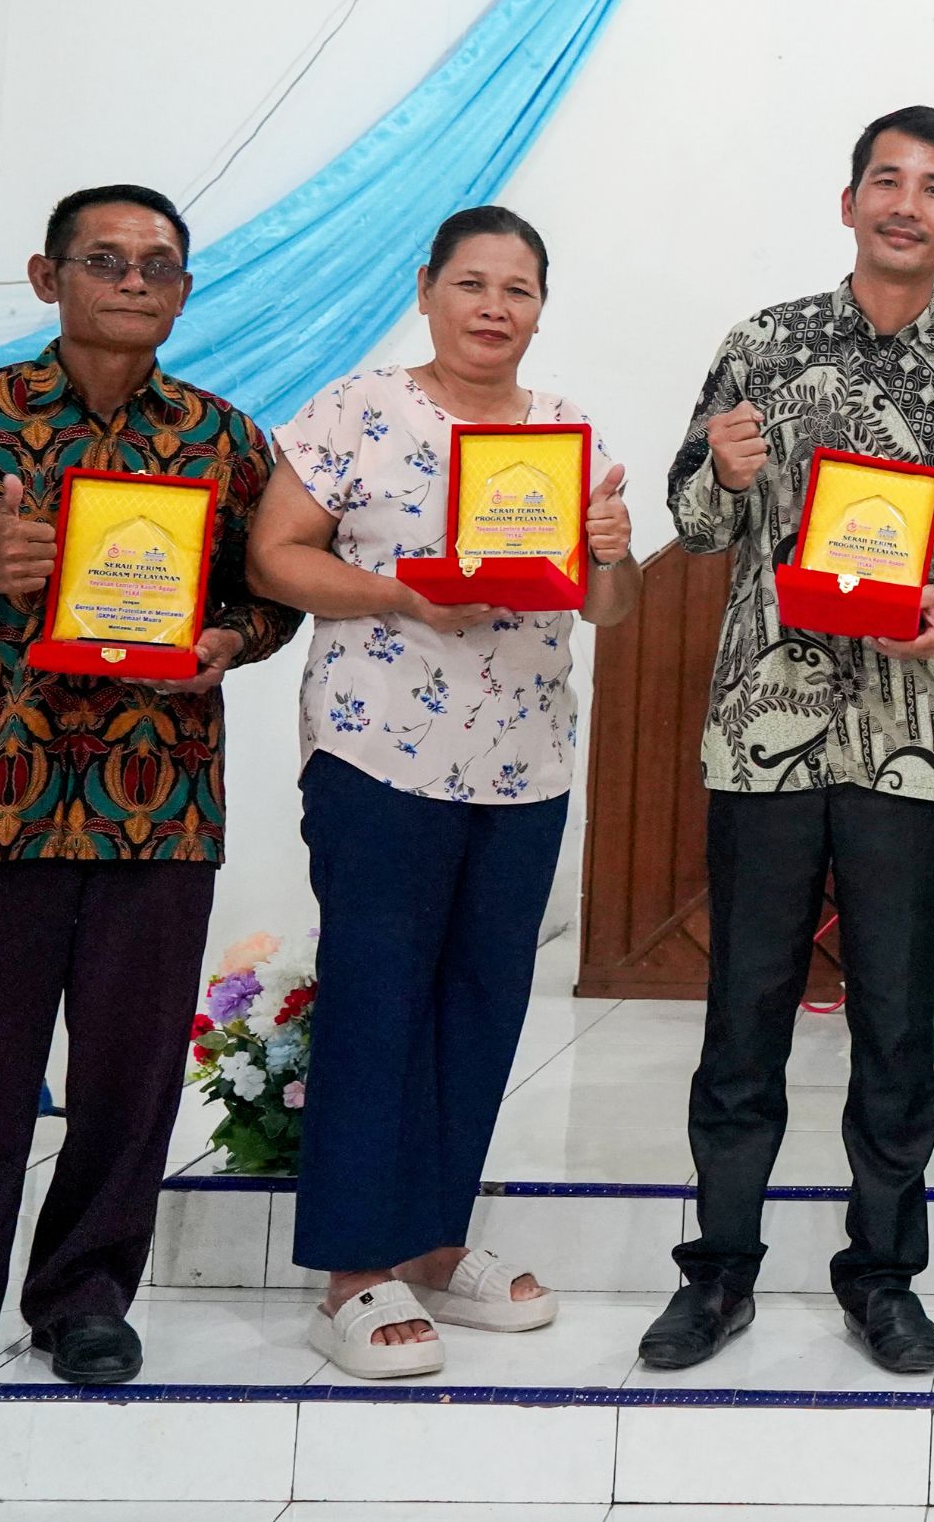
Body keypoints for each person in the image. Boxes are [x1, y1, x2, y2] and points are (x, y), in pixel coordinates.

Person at [0, 186, 300, 1404]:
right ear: (50, 278)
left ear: (184, 292)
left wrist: (227, 641)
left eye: (159, 265)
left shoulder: (225, 440)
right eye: (106, 259)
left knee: (130, 1080)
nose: (134, 281)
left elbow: (270, 597)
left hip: (159, 804)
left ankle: (86, 1300)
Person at [642, 106, 934, 1377]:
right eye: (887, 180)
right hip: (765, 726)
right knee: (743, 1013)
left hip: (912, 740)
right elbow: (694, 521)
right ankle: (718, 1270)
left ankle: (882, 1274)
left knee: (894, 1021)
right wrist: (719, 470)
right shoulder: (762, 344)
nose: (906, 204)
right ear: (850, 200)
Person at [247, 205, 640, 1378]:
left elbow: (609, 608)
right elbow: (276, 557)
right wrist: (404, 597)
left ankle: (430, 1242)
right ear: (426, 289)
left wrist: (611, 547)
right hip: (380, 751)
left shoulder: (563, 433)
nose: (493, 308)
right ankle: (350, 1274)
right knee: (377, 997)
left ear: (541, 309)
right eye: (472, 284)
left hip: (524, 764)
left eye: (518, 290)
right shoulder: (359, 410)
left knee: (482, 1003)